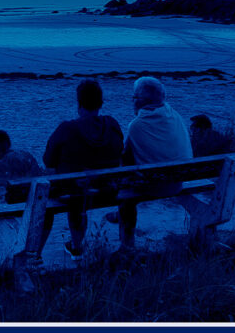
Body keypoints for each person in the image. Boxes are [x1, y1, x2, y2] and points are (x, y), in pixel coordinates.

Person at [40, 79, 124, 258]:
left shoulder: (67, 129)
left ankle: (38, 254)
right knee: (77, 187)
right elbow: (120, 152)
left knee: (52, 194)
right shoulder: (113, 125)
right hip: (107, 190)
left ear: (79, 103)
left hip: (74, 191)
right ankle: (76, 245)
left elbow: (48, 160)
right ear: (101, 103)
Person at [118, 77, 192, 252]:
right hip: (178, 182)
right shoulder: (175, 115)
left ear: (141, 101)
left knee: (125, 196)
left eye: (134, 98)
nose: (132, 101)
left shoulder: (137, 125)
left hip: (156, 187)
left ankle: (126, 245)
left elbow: (126, 162)